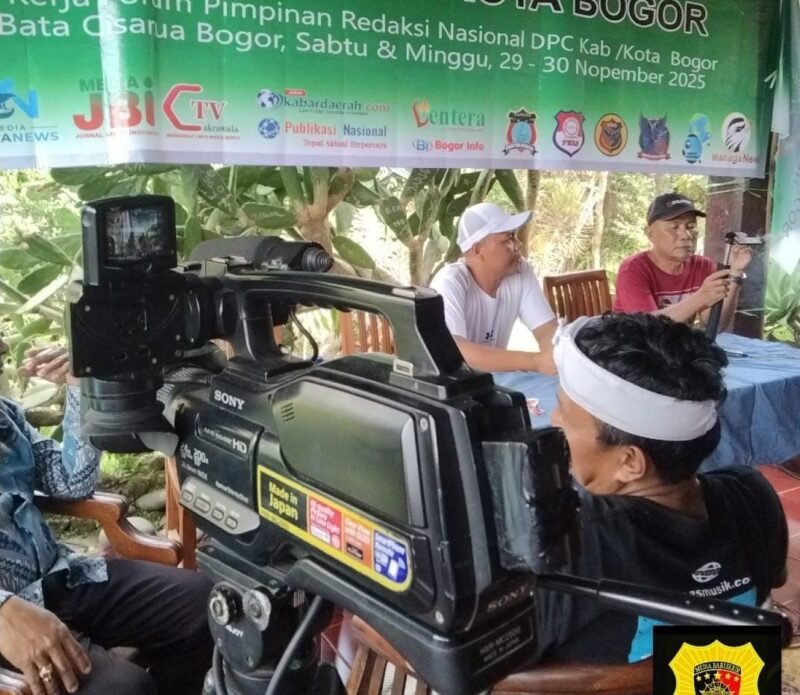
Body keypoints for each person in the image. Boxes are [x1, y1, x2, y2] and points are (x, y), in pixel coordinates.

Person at [534, 312, 787, 663]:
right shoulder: (752, 496)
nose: (553, 420)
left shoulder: (566, 543)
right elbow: (773, 583)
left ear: (629, 463)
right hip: (731, 680)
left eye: (565, 416)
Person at [0, 340, 213, 695]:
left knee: (205, 607)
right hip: (8, 621)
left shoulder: (4, 416)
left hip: (58, 579)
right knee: (124, 688)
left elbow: (73, 482)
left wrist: (78, 386)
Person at [429, 202, 557, 373]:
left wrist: (554, 355)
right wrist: (535, 362)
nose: (518, 245)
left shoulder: (520, 271)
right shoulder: (450, 281)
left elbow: (546, 329)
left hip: (492, 381)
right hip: (453, 383)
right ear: (478, 250)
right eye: (508, 239)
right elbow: (456, 349)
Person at [613, 192, 752, 331]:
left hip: (676, 343)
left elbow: (715, 326)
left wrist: (735, 273)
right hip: (630, 342)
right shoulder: (633, 269)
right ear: (651, 234)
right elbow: (648, 329)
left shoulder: (702, 266)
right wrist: (701, 297)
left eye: (691, 226)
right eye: (674, 227)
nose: (686, 235)